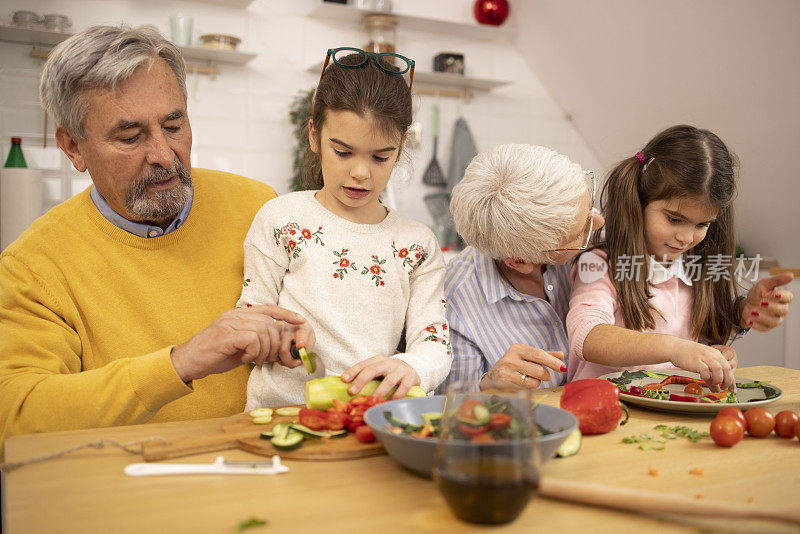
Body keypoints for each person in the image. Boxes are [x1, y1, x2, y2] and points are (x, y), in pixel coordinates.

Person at [0, 25, 303, 454]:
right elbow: (15, 417)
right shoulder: (35, 265)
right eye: (130, 136)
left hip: (274, 464)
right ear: (73, 148)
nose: (163, 155)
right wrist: (180, 363)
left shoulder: (259, 207)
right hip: (135, 488)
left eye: (174, 125)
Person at [240, 47, 451, 409]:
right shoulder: (280, 219)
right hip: (281, 415)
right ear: (314, 136)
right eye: (343, 152)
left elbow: (435, 343)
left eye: (380, 157)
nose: (360, 172)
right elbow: (249, 318)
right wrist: (277, 338)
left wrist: (410, 366)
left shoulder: (417, 244)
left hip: (372, 420)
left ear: (401, 148)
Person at [566, 125, 793, 391]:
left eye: (702, 225)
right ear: (638, 202)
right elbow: (588, 337)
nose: (686, 238)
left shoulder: (693, 269)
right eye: (675, 219)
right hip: (601, 407)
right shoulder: (598, 265)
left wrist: (717, 350)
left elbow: (694, 346)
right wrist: (676, 349)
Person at [440, 144, 604, 392]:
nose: (600, 222)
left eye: (590, 205)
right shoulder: (456, 304)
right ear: (520, 262)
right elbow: (450, 409)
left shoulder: (568, 220)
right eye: (580, 233)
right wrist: (488, 385)